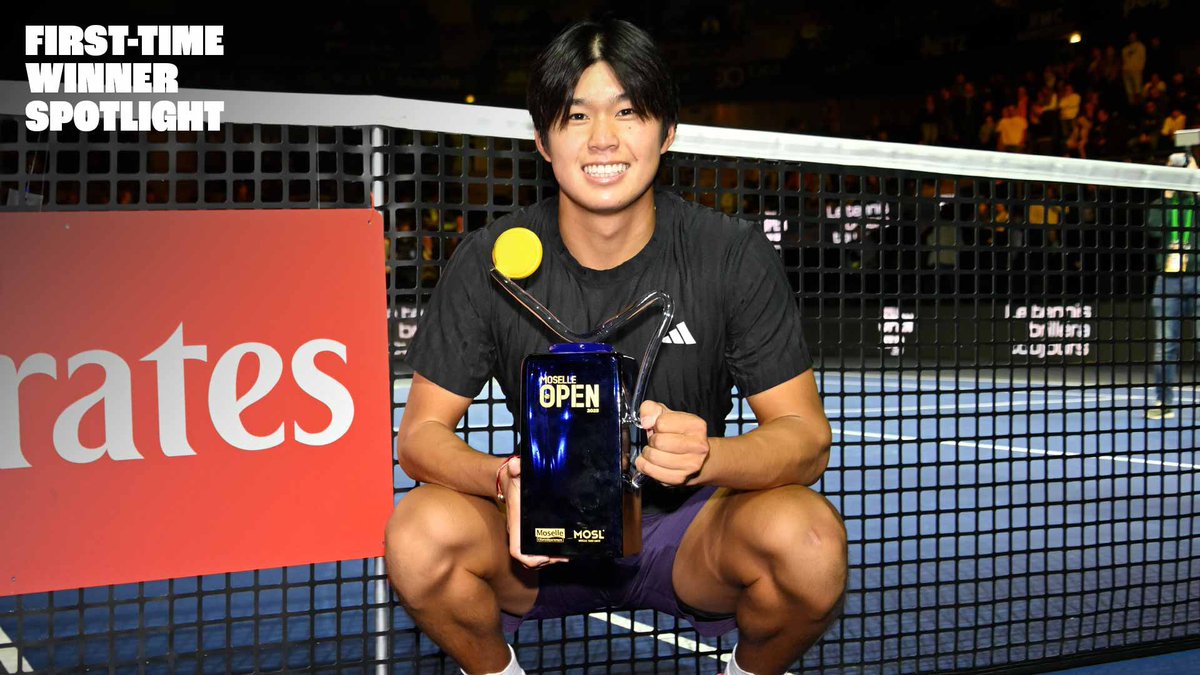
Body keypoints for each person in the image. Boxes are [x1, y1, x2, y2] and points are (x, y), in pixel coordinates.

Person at [384, 18, 845, 675]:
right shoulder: (487, 260)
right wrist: (504, 480)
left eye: (628, 111)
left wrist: (709, 455)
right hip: (537, 540)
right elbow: (420, 436)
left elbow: (807, 437)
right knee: (417, 534)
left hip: (689, 537)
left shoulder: (730, 255)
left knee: (810, 542)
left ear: (668, 130)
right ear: (543, 139)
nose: (603, 139)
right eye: (576, 116)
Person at [1147, 152, 1199, 420]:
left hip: (1198, 276)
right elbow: (1154, 228)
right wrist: (1167, 196)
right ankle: (1163, 402)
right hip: (1167, 280)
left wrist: (1196, 178)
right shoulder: (1161, 203)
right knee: (1165, 345)